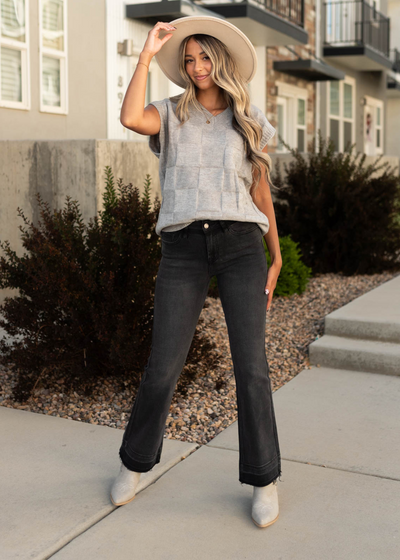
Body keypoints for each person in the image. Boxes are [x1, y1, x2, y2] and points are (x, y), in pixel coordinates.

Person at [110, 15, 283, 529]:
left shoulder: (249, 119)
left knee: (251, 367)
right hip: (183, 247)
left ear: (222, 61)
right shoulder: (168, 113)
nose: (197, 66)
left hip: (240, 245)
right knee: (163, 363)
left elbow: (261, 191)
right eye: (188, 60)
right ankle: (134, 463)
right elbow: (127, 118)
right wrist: (145, 56)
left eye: (205, 57)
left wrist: (276, 255)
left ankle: (264, 476)